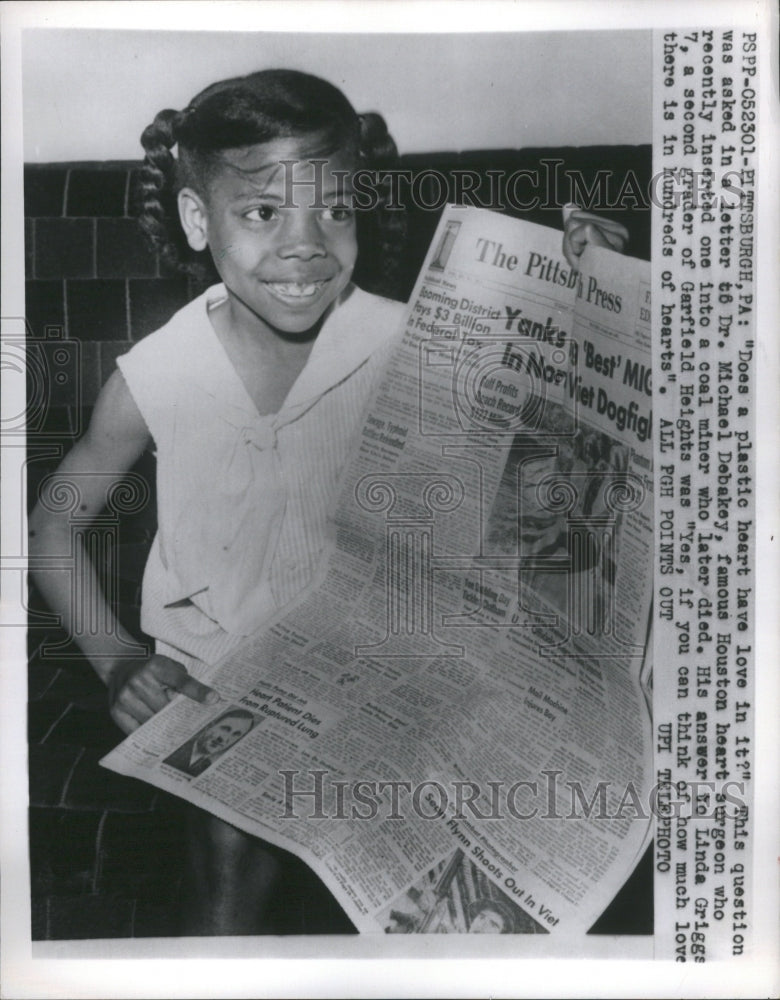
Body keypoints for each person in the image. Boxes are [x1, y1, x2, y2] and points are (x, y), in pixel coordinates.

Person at [28, 68, 625, 935]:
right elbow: (53, 528)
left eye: (335, 210)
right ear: (199, 220)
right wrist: (118, 660)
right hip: (217, 679)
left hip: (387, 666)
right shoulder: (153, 378)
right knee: (228, 882)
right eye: (264, 212)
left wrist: (591, 306)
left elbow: (524, 496)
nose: (307, 245)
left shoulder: (410, 341)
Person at [163, 708, 255, 777]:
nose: (223, 738)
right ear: (210, 725)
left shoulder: (206, 767)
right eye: (225, 729)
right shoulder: (176, 746)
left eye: (236, 734)